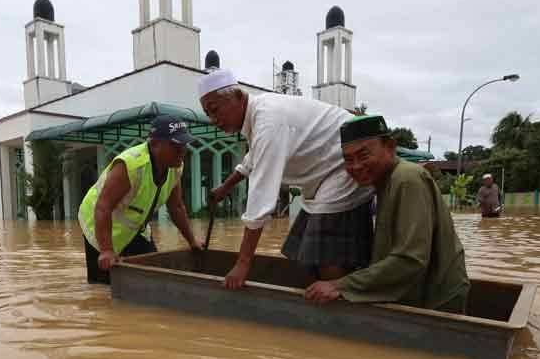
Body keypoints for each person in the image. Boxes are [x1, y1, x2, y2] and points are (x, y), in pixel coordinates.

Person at [198, 69, 374, 290]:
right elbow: (252, 159)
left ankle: (335, 307)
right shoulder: (258, 116)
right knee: (304, 252)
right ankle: (319, 299)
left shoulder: (268, 121)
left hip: (346, 167)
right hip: (322, 176)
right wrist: (225, 187)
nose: (214, 120)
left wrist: (243, 264)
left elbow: (260, 199)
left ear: (239, 97)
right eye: (208, 114)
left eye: (215, 110)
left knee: (328, 254)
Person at [305, 115, 470, 313]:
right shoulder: (382, 182)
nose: (356, 166)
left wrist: (339, 285)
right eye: (348, 159)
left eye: (364, 155)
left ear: (390, 147)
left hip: (437, 298)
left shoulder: (407, 179)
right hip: (420, 291)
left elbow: (410, 259)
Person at [78, 115, 202, 284]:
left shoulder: (175, 166)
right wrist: (106, 250)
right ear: (154, 144)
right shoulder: (130, 165)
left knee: (153, 276)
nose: (182, 151)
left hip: (136, 227)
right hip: (98, 223)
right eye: (175, 145)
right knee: (104, 287)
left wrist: (192, 241)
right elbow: (103, 207)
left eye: (184, 144)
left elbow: (177, 207)